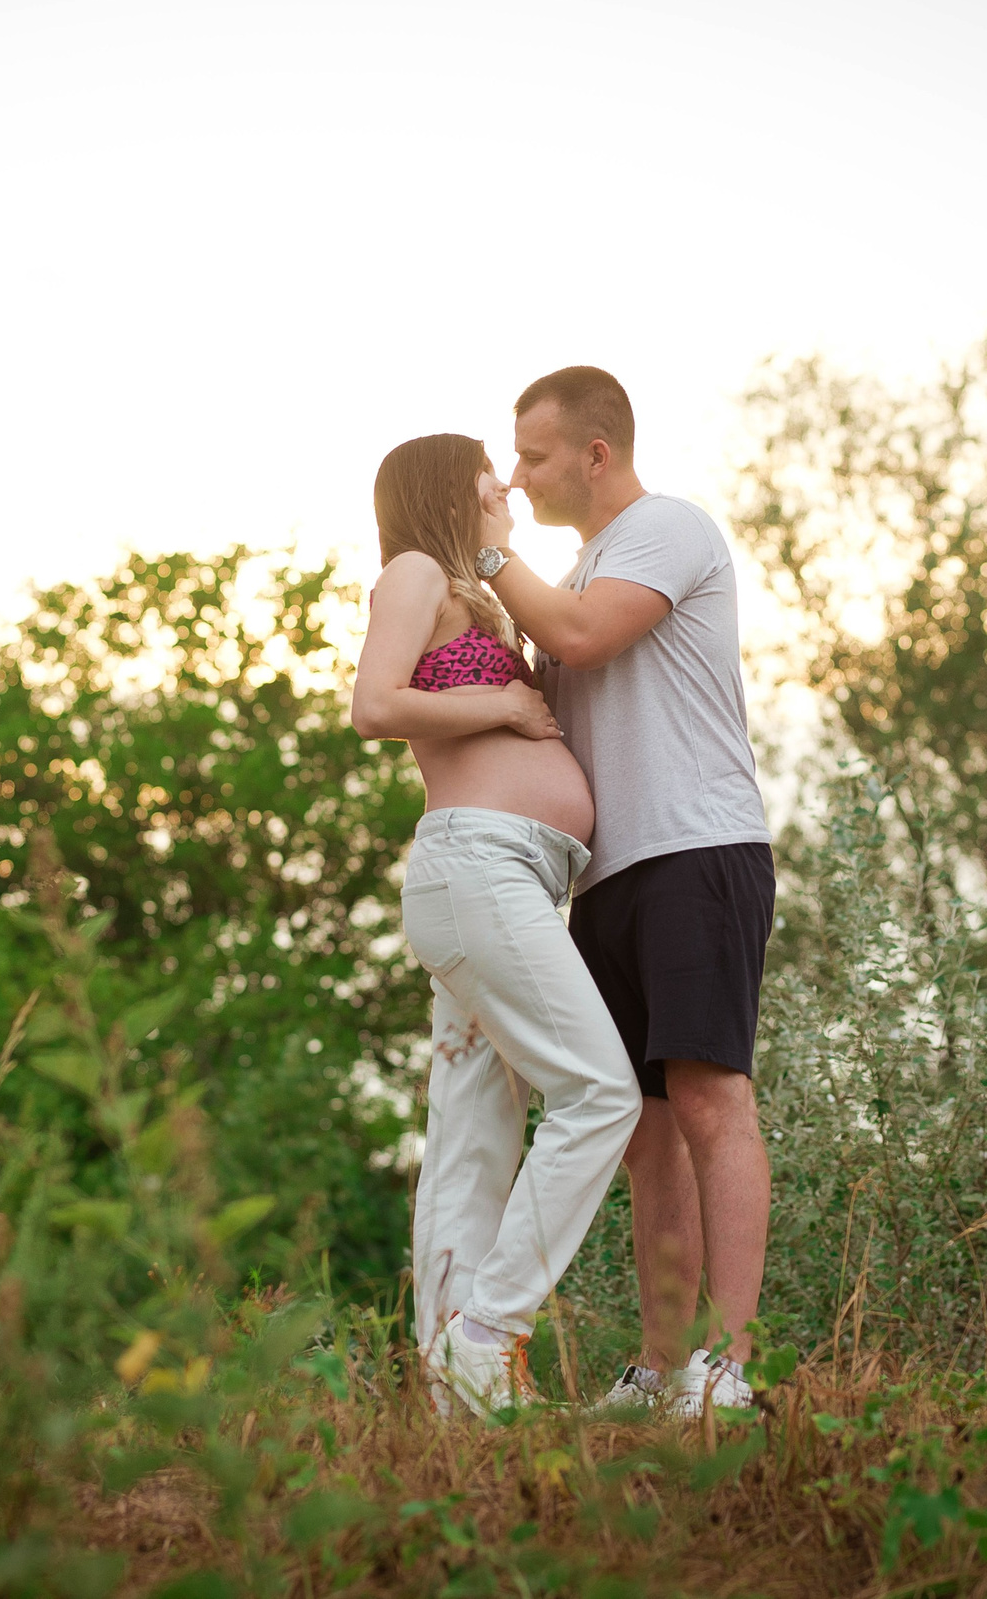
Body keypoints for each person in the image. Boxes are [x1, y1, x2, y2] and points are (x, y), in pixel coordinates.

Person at [474, 366, 777, 1417]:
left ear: (594, 452)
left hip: (697, 848)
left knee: (707, 1096)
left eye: (534, 455)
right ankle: (660, 1369)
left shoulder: (666, 530)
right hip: (606, 879)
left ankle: (729, 1369)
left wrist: (481, 547)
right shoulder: (574, 571)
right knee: (642, 1125)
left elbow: (582, 638)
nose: (517, 476)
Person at [350, 432, 643, 1415]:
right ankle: (489, 1328)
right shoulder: (412, 571)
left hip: (507, 876)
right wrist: (504, 710)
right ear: (447, 484)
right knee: (599, 1092)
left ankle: (453, 1393)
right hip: (477, 867)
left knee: (475, 1129)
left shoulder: (467, 589)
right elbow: (374, 705)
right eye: (491, 464)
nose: (506, 480)